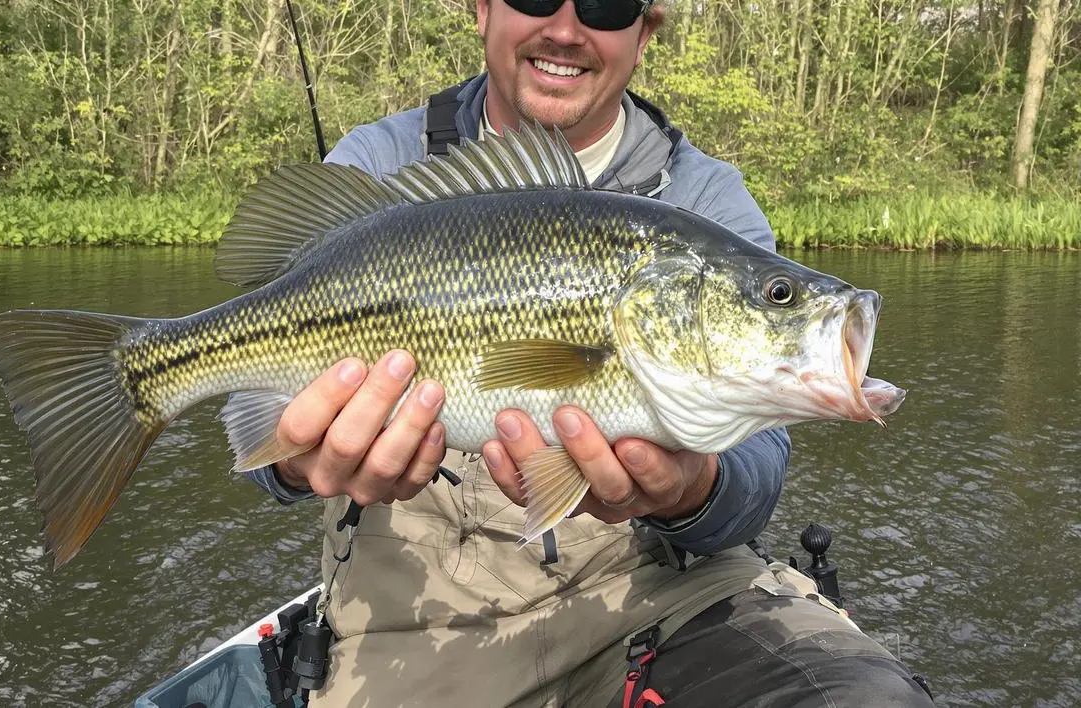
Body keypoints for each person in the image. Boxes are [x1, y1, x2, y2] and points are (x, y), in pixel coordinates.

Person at [245, 0, 936, 705]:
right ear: (482, 9)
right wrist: (297, 462)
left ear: (645, 31)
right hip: (414, 633)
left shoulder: (706, 198)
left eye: (606, 3)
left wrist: (694, 489)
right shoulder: (377, 167)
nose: (565, 30)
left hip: (664, 600)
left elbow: (759, 475)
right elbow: (260, 424)